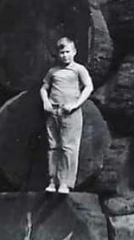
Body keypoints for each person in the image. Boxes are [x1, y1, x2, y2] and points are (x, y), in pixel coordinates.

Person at [40, 36, 93, 194]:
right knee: (53, 146)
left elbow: (88, 87)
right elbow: (43, 88)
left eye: (68, 52)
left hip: (70, 112)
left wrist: (76, 104)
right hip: (53, 111)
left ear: (74, 52)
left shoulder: (78, 69)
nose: (65, 55)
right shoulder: (53, 71)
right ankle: (52, 181)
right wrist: (45, 102)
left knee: (68, 147)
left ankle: (65, 183)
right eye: (62, 52)